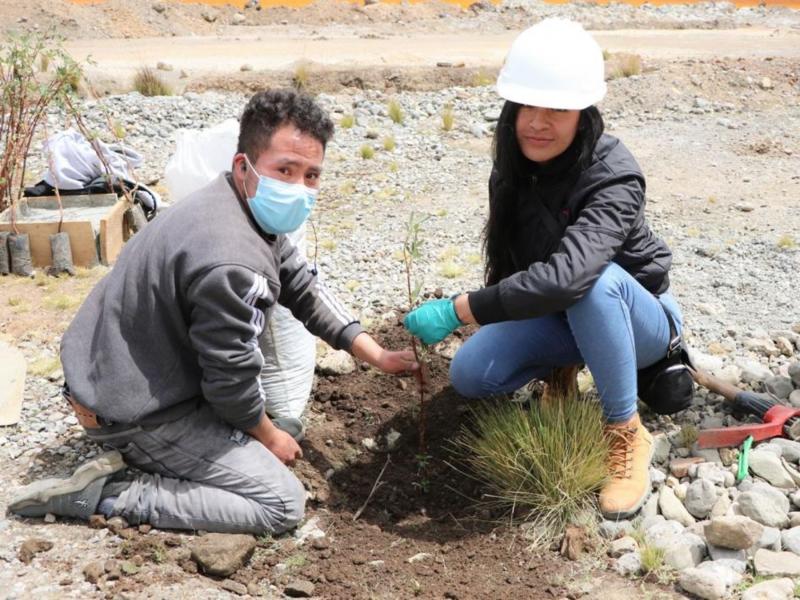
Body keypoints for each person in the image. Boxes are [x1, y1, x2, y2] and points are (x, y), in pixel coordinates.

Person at [10, 89, 419, 535]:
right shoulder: (230, 260)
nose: (299, 188)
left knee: (270, 427)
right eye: (285, 170)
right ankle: (111, 493)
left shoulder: (235, 202)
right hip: (132, 413)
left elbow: (302, 286)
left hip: (121, 374)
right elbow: (231, 378)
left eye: (312, 175)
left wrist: (376, 354)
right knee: (281, 505)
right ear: (244, 165)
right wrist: (265, 435)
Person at [403, 19, 682, 520]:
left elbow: (569, 278)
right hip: (564, 316)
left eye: (556, 109)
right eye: (527, 105)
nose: (537, 121)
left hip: (638, 320)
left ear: (583, 113)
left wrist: (459, 309)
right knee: (472, 374)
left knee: (590, 284)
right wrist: (492, 313)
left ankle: (624, 433)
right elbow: (507, 262)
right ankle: (562, 371)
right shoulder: (512, 168)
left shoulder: (614, 174)